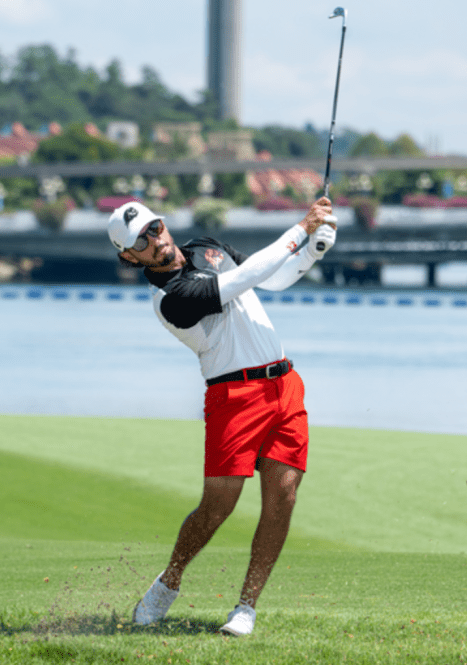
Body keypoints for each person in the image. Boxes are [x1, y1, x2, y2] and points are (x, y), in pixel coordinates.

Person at [106, 196, 337, 636]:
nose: (155, 239)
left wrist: (312, 251)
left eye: (155, 227)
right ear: (130, 257)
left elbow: (271, 278)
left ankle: (246, 607)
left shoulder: (206, 247)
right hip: (234, 397)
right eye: (141, 241)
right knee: (218, 507)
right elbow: (239, 281)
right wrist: (302, 229)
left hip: (284, 385)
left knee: (283, 497)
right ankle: (169, 581)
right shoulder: (170, 299)